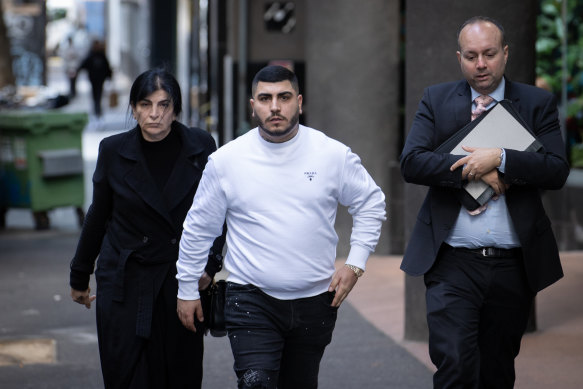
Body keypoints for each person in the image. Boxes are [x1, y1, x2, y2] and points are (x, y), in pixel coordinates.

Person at [176, 65, 386, 389]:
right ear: (253, 105)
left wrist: (355, 263)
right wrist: (187, 287)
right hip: (249, 299)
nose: (275, 106)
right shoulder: (227, 161)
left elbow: (371, 202)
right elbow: (199, 228)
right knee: (255, 382)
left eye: (284, 97)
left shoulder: (331, 154)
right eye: (265, 98)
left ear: (299, 102)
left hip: (315, 302)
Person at [400, 16, 570, 388]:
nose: (481, 64)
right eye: (472, 55)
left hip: (512, 264)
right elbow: (411, 162)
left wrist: (502, 158)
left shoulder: (536, 102)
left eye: (490, 54)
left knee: (497, 370)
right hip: (452, 262)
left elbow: (556, 169)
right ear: (459, 57)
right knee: (455, 364)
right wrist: (472, 169)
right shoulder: (437, 98)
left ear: (505, 54)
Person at [69, 68, 225, 389]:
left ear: (176, 109)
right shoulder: (113, 150)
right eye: (145, 104)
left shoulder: (200, 146)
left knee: (179, 375)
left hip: (180, 280)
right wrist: (79, 276)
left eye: (164, 105)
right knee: (126, 374)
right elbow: (98, 215)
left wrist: (209, 265)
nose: (154, 114)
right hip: (124, 281)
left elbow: (217, 212)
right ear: (134, 108)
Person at [78, 39, 112, 117]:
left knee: (99, 93)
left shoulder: (101, 55)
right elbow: (84, 64)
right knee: (94, 94)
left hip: (101, 78)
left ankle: (98, 108)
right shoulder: (91, 55)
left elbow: (107, 66)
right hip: (93, 79)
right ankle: (96, 109)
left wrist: (109, 76)